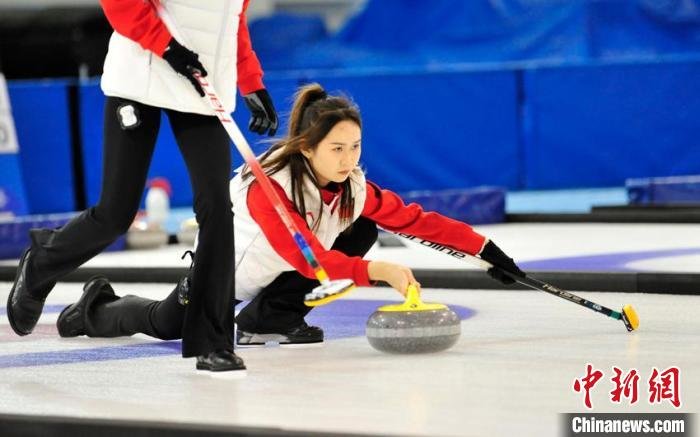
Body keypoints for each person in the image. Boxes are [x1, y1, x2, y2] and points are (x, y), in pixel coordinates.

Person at [55, 83, 524, 350]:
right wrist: (378, 271)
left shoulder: (352, 186)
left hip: (283, 271)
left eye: (355, 147)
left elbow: (414, 220)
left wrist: (485, 252)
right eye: (336, 149)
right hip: (229, 275)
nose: (348, 159)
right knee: (165, 324)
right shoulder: (270, 189)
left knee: (362, 226)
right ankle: (94, 309)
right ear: (308, 147)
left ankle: (268, 319)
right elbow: (307, 261)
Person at [5, 0, 278, 373]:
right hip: (142, 75)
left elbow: (231, 20)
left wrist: (251, 81)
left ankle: (213, 342)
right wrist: (168, 48)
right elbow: (121, 5)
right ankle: (41, 263)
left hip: (199, 85)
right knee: (116, 212)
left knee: (217, 208)